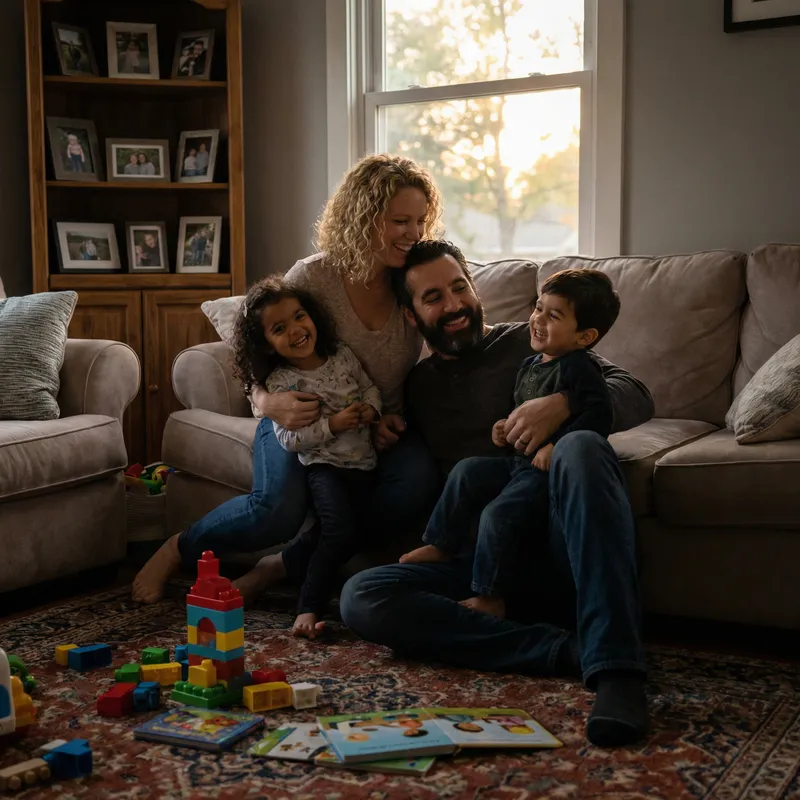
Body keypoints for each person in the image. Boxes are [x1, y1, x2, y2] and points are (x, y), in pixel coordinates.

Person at [339, 239, 653, 748]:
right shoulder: (417, 384)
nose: (455, 304)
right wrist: (382, 431)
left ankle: (618, 670)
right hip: (480, 561)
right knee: (361, 597)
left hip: (557, 540)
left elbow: (637, 394)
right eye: (433, 297)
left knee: (580, 448)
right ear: (412, 314)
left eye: (460, 287)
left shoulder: (533, 343)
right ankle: (568, 652)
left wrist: (562, 403)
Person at [131, 153, 444, 605]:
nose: (413, 234)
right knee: (275, 512)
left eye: (420, 221)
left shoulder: (412, 281)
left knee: (416, 482)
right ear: (363, 217)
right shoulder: (314, 276)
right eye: (400, 221)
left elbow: (444, 350)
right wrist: (264, 402)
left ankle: (278, 566)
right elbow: (250, 352)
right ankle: (177, 548)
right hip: (292, 421)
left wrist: (390, 418)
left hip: (373, 428)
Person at [401, 267, 620, 620]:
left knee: (498, 513)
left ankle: (492, 599)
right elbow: (520, 408)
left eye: (460, 287)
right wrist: (504, 426)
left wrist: (560, 423)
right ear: (410, 315)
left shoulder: (569, 362)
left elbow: (608, 405)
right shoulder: (529, 363)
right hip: (511, 471)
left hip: (540, 477)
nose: (538, 320)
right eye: (538, 308)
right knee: (467, 471)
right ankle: (441, 543)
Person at [237, 276, 382, 639]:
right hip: (324, 469)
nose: (296, 330)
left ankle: (279, 568)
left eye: (300, 317)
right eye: (279, 328)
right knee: (337, 531)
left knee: (349, 532)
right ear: (267, 344)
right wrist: (332, 425)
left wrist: (372, 410)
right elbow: (289, 440)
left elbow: (368, 387)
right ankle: (308, 606)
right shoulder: (283, 382)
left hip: (364, 465)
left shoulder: (342, 355)